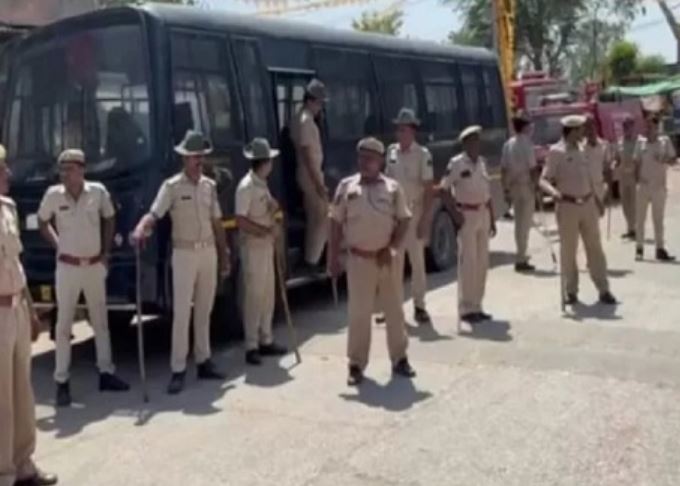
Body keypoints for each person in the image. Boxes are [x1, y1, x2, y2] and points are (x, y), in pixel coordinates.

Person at [131, 130, 230, 395]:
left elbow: (217, 223)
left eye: (201, 156)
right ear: (184, 159)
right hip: (184, 253)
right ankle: (178, 369)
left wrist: (224, 254)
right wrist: (141, 228)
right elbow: (154, 213)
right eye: (194, 157)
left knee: (205, 310)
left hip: (208, 251)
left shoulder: (209, 186)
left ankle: (204, 360)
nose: (198, 161)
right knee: (182, 313)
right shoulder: (172, 187)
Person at [38, 149, 129, 408]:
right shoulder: (53, 195)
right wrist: (57, 244)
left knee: (100, 321)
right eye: (62, 170)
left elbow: (109, 217)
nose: (64, 174)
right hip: (67, 267)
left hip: (93, 265)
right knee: (63, 326)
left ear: (81, 170)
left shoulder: (97, 192)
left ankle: (106, 373)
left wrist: (106, 254)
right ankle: (62, 382)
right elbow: (43, 222)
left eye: (69, 169)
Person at [328, 137, 415, 386]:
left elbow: (404, 220)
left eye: (370, 159)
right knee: (359, 314)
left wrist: (393, 247)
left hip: (387, 259)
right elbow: (335, 222)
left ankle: (400, 359)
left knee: (394, 310)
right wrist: (332, 257)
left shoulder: (393, 188)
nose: (364, 163)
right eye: (361, 158)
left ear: (380, 161)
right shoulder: (346, 187)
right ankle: (356, 364)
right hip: (358, 259)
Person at [0, 146, 58, 486]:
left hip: (17, 309)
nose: (8, 173)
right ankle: (4, 472)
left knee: (22, 390)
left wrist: (32, 310)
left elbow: (16, 265)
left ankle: (24, 464)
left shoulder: (7, 208)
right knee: (1, 397)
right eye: (2, 168)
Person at [539, 115, 617, 306]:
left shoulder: (582, 149)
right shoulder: (556, 152)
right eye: (581, 129)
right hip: (568, 205)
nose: (584, 132)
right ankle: (571, 291)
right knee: (569, 250)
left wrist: (598, 201)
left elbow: (589, 177)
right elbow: (543, 180)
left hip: (588, 203)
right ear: (572, 131)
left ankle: (603, 289)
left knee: (595, 249)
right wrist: (554, 192)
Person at [235, 138, 288, 366]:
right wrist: (265, 230)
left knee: (268, 294)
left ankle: (266, 339)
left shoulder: (261, 184)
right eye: (269, 161)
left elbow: (268, 206)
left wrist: (273, 208)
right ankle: (251, 345)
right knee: (254, 296)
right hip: (254, 246)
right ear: (263, 163)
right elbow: (241, 220)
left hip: (266, 246)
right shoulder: (246, 186)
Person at [440, 126, 496, 324]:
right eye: (471, 141)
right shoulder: (456, 163)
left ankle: (477, 305)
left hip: (483, 213)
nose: (475, 145)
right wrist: (455, 214)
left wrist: (493, 218)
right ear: (465, 144)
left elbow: (487, 193)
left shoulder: (482, 163)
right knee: (468, 262)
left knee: (482, 263)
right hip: (467, 215)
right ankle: (466, 308)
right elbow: (444, 189)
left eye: (477, 141)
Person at [384, 107, 435, 324]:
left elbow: (429, 189)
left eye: (403, 129)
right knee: (394, 264)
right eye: (398, 129)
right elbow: (386, 180)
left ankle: (419, 306)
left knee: (417, 263)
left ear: (413, 131)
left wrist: (425, 220)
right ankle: (393, 307)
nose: (400, 133)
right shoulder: (391, 152)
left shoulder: (422, 155)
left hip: (414, 214)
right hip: (395, 215)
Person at [291, 78, 329, 272]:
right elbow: (307, 154)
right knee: (321, 216)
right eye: (320, 103)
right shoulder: (306, 121)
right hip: (310, 175)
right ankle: (311, 261)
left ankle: (312, 256)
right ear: (311, 100)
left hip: (308, 174)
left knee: (315, 217)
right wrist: (318, 184)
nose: (320, 108)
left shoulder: (299, 117)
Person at [633, 115, 677, 261]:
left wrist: (664, 159)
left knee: (658, 219)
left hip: (659, 186)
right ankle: (639, 248)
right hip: (643, 185)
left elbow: (673, 159)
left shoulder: (664, 142)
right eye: (647, 126)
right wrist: (636, 180)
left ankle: (660, 248)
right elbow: (636, 162)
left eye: (652, 126)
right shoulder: (641, 143)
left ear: (657, 127)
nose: (649, 129)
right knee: (640, 219)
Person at [501, 112, 538, 272]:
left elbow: (503, 169)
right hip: (526, 186)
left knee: (518, 223)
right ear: (524, 127)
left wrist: (505, 189)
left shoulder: (508, 144)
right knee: (525, 223)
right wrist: (536, 186)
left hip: (514, 186)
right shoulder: (527, 144)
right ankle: (521, 257)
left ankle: (520, 254)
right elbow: (533, 168)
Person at [583, 115, 614, 217]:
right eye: (586, 126)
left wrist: (609, 189)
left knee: (596, 218)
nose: (589, 130)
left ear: (595, 126)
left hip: (599, 187)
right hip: (585, 188)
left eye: (591, 125)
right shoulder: (580, 147)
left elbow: (607, 168)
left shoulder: (604, 145)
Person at [614, 116, 639, 240]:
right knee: (625, 203)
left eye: (629, 126)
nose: (626, 128)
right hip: (622, 176)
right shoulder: (619, 142)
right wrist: (614, 164)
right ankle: (629, 228)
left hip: (634, 176)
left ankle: (635, 229)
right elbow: (617, 158)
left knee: (634, 203)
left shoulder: (638, 142)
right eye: (624, 126)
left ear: (633, 127)